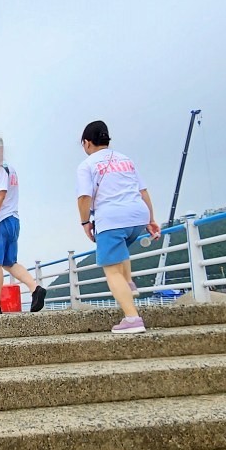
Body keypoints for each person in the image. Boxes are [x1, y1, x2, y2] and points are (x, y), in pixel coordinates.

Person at [77, 120, 161, 333]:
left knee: (111, 270)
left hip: (112, 218)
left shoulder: (87, 165)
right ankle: (129, 283)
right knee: (120, 251)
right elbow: (143, 191)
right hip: (137, 216)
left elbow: (84, 197)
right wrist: (151, 220)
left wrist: (85, 222)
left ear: (87, 143)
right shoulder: (126, 159)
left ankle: (132, 319)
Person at [0, 142, 46, 315]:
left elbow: (0, 194)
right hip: (13, 220)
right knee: (9, 262)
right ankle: (35, 288)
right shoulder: (10, 169)